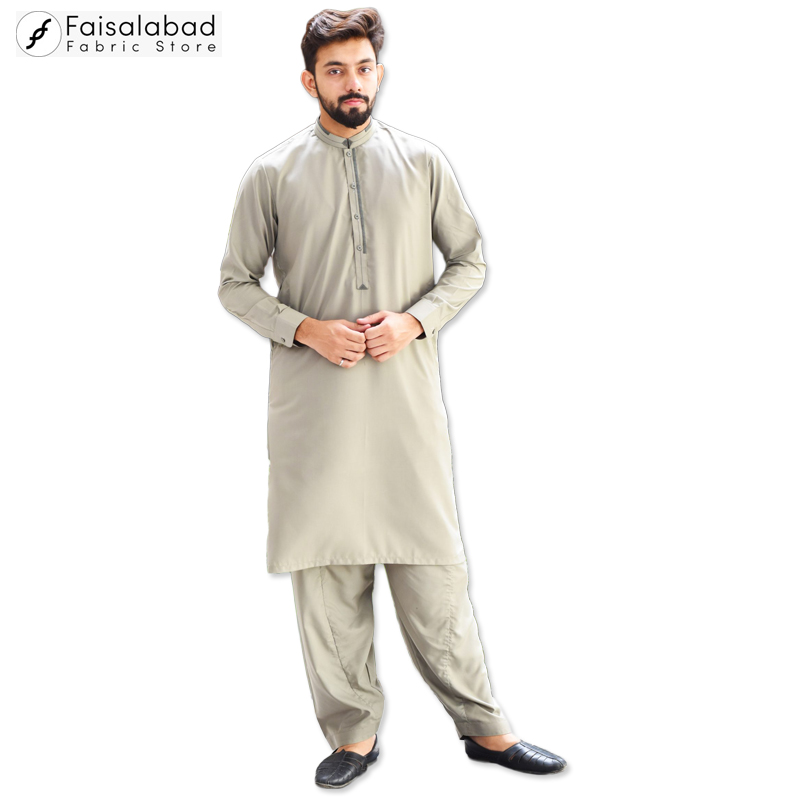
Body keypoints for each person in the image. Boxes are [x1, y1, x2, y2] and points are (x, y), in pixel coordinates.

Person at [217, 7, 567, 788]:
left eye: (363, 68)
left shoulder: (423, 162)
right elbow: (234, 285)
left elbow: (469, 262)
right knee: (328, 574)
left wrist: (415, 320)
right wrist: (305, 329)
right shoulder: (271, 173)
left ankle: (486, 729)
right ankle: (353, 737)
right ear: (308, 81)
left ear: (380, 73)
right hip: (315, 408)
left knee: (433, 569)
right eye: (335, 71)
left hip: (405, 405)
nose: (353, 83)